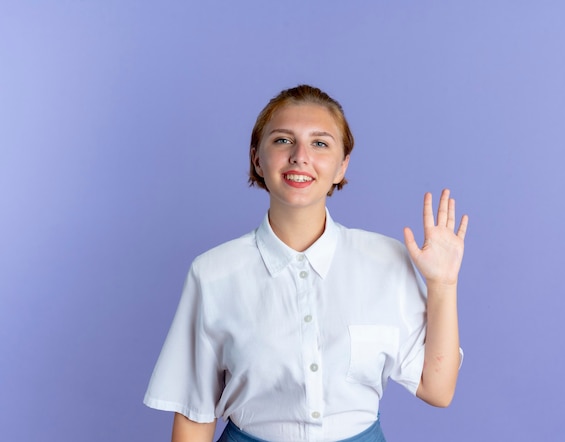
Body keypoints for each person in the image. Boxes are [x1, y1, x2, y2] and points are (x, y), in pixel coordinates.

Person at [144, 84, 469, 442]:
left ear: (342, 165)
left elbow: (437, 390)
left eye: (320, 143)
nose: (300, 156)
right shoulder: (212, 273)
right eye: (283, 140)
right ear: (257, 158)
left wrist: (443, 285)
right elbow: (194, 416)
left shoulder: (386, 261)